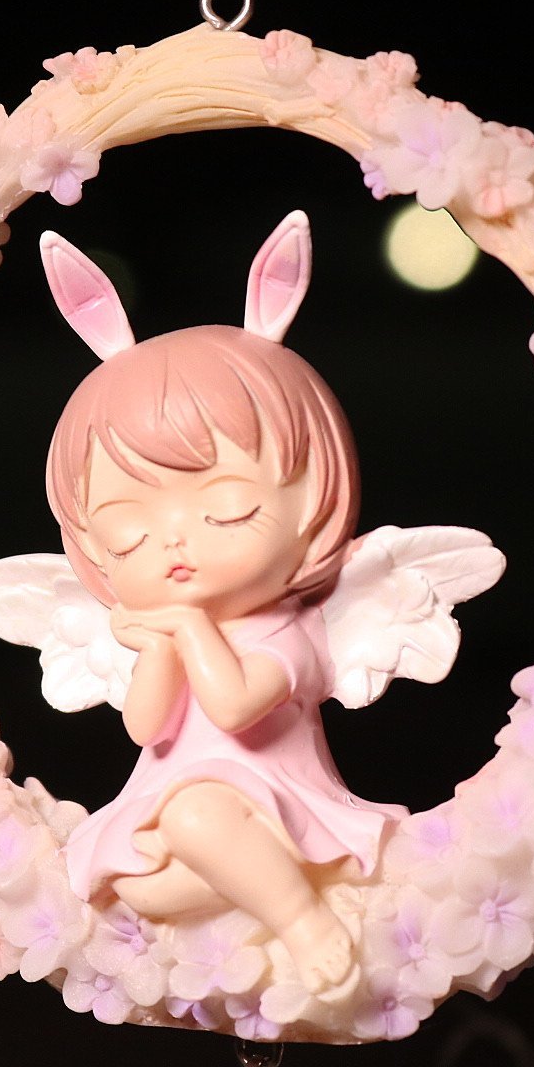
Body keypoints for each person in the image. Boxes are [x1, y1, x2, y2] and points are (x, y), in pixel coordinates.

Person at [41, 215, 405, 996]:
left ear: (312, 504)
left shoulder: (287, 630)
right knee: (140, 883)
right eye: (130, 531)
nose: (176, 542)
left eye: (228, 510)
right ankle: (261, 893)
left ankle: (304, 921)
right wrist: (159, 647)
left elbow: (235, 706)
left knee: (197, 820)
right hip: (172, 808)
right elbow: (147, 728)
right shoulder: (168, 633)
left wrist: (185, 625)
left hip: (272, 800)